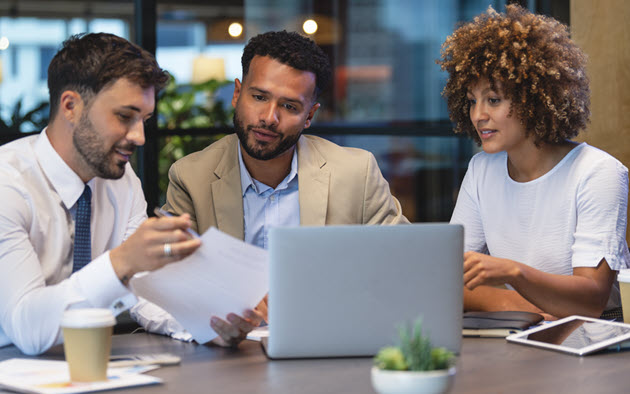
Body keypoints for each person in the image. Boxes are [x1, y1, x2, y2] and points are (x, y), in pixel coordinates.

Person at [131, 30, 409, 346]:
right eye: (259, 97)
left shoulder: (356, 173)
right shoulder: (192, 176)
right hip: (230, 356)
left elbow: (404, 268)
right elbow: (167, 286)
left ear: (309, 116)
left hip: (330, 344)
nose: (269, 118)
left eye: (290, 106)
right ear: (237, 94)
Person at [0, 33, 201, 355]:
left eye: (145, 120)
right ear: (70, 107)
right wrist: (121, 261)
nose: (139, 137)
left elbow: (144, 287)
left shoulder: (121, 180)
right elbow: (27, 327)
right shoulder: (6, 185)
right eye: (124, 116)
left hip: (93, 362)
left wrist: (208, 323)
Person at [437, 5, 630, 320]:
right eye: (472, 101)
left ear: (535, 99)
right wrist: (531, 312)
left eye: (494, 100)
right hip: (518, 329)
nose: (478, 115)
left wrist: (513, 272)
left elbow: (591, 300)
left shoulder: (597, 173)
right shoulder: (481, 170)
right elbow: (449, 280)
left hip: (590, 343)